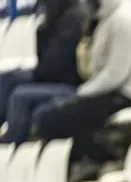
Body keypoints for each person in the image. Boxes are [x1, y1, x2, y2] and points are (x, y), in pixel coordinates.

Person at [34, 0, 131, 164]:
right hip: (115, 92)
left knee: (52, 117)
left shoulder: (124, 20)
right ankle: (92, 158)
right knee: (51, 114)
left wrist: (81, 93)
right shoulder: (108, 18)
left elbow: (115, 75)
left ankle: (102, 158)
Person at [0, 0, 85, 144]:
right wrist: (43, 29)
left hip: (69, 83)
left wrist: (43, 31)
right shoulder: (56, 14)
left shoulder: (74, 19)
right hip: (49, 75)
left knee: (19, 95)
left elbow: (57, 65)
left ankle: (11, 142)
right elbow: (44, 61)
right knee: (7, 79)